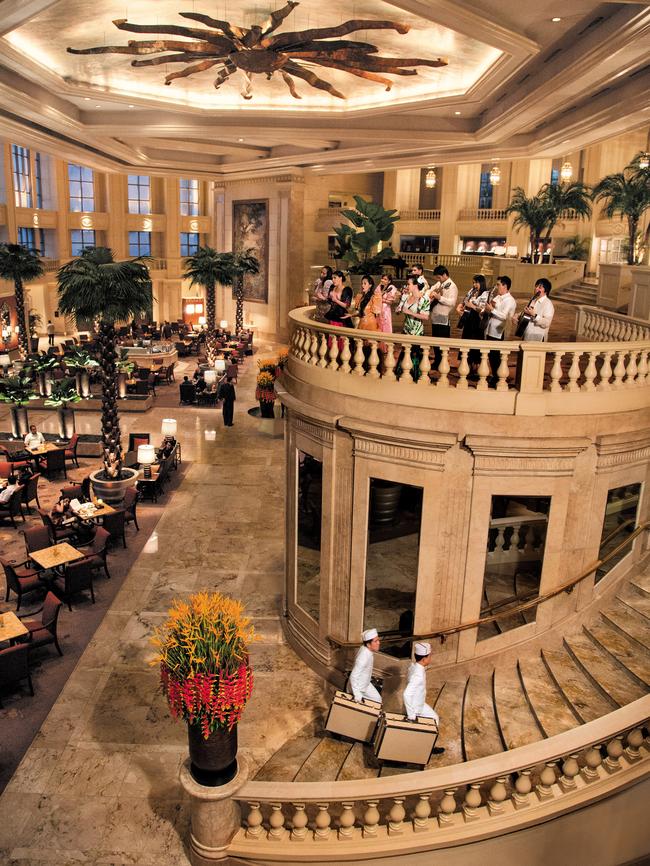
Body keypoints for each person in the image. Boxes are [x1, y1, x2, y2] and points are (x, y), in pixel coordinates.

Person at [403, 642, 443, 745]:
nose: (431, 658)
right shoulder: (418, 674)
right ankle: (426, 747)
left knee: (435, 718)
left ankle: (428, 745)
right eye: (430, 656)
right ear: (424, 659)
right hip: (416, 707)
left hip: (419, 703)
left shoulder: (414, 666)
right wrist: (412, 715)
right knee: (434, 720)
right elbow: (407, 694)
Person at [484, 275, 517, 386]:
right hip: (491, 329)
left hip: (499, 331)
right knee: (491, 355)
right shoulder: (498, 297)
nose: (497, 287)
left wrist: (492, 309)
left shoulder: (510, 300)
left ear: (505, 286)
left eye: (498, 285)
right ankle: (494, 374)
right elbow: (491, 308)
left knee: (496, 355)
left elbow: (504, 316)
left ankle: (498, 377)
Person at [456, 274, 489, 376]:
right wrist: (460, 307)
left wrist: (472, 306)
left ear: (481, 283)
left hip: (477, 322)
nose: (474, 285)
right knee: (466, 340)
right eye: (473, 282)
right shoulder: (471, 291)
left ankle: (476, 368)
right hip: (468, 320)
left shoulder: (485, 293)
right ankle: (467, 366)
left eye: (476, 283)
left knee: (475, 343)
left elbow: (483, 309)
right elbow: (464, 301)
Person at [428, 265, 458, 369]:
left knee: (442, 343)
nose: (438, 279)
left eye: (439, 277)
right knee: (435, 342)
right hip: (435, 316)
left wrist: (439, 297)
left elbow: (452, 302)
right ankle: (437, 362)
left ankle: (442, 363)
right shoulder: (440, 283)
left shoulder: (452, 286)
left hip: (443, 317)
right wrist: (431, 293)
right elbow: (431, 290)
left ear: (445, 275)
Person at [348, 628, 382, 704]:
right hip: (358, 687)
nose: (379, 643)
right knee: (377, 702)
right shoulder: (363, 657)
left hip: (365, 684)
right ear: (368, 644)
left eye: (378, 640)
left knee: (378, 700)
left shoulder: (367, 650)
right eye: (376, 641)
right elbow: (353, 676)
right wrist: (357, 694)